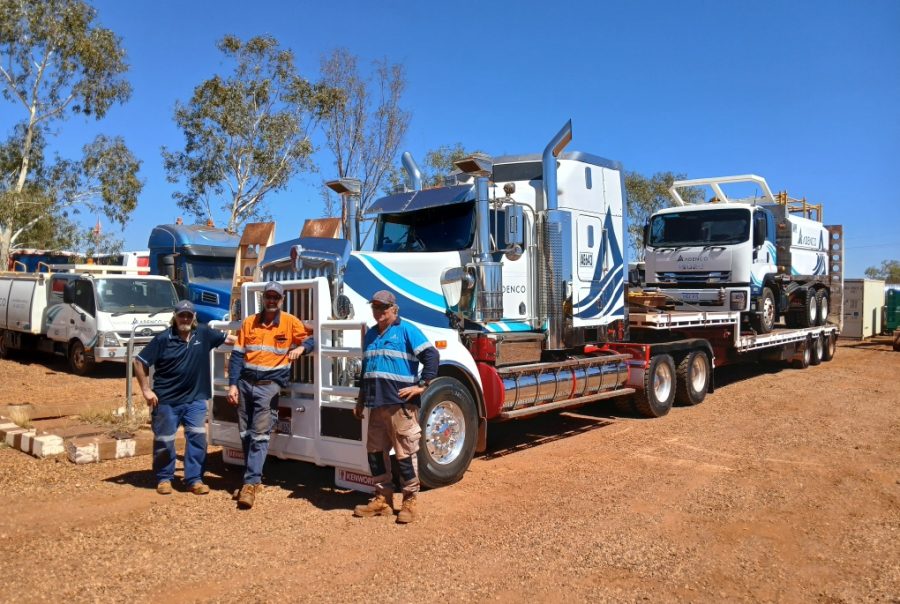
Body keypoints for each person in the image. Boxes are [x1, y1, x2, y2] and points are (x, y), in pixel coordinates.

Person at [353, 290, 438, 524]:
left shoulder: (407, 330)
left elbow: (431, 356)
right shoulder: (370, 334)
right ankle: (383, 499)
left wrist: (422, 385)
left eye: (383, 307)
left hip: (400, 406)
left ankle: (409, 500)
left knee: (404, 454)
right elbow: (366, 370)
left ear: (394, 309)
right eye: (375, 307)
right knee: (375, 454)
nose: (378, 311)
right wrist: (361, 400)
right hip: (375, 404)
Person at [227, 281, 315, 509]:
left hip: (270, 386)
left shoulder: (289, 322)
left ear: (281, 300)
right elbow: (237, 356)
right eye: (269, 296)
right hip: (245, 383)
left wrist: (300, 348)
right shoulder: (249, 323)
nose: (272, 300)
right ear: (263, 299)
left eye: (276, 297)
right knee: (245, 433)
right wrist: (232, 385)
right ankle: (252, 479)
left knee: (260, 433)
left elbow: (312, 339)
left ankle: (250, 483)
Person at [134, 300, 235, 495]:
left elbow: (229, 340)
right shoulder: (164, 339)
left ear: (194, 317)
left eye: (189, 315)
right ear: (175, 316)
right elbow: (139, 362)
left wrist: (254, 343)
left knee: (197, 438)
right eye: (182, 315)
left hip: (195, 399)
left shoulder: (203, 334)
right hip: (166, 401)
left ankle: (194, 479)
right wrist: (146, 390)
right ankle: (164, 478)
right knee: (165, 440)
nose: (185, 319)